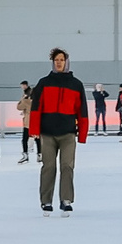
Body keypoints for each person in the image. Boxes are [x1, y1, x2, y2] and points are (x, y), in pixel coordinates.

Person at [29, 48, 88, 213]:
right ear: (53, 62)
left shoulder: (76, 84)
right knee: (48, 167)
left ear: (66, 62)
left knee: (67, 166)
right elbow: (36, 108)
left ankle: (66, 199)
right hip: (47, 134)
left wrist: (82, 134)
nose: (59, 62)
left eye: (62, 59)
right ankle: (46, 200)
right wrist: (34, 130)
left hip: (68, 133)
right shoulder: (44, 83)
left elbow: (82, 110)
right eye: (56, 60)